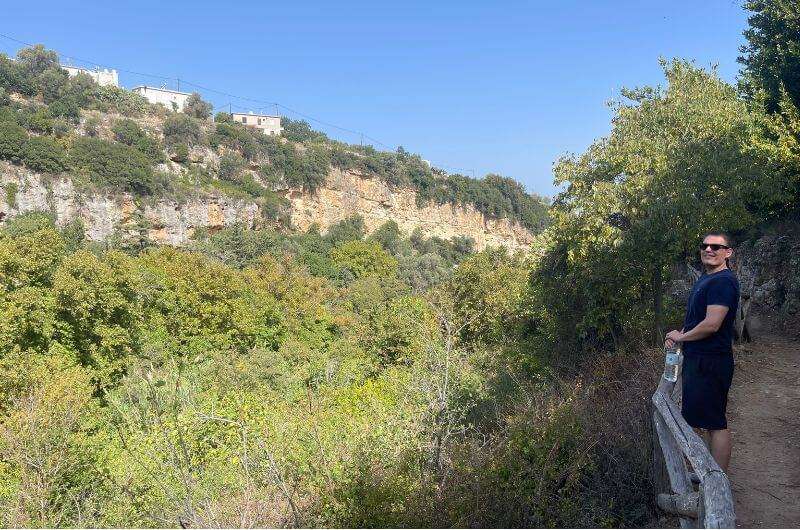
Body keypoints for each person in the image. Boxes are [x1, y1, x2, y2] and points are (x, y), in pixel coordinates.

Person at [665, 232, 740, 473]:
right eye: (705, 245)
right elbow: (699, 319)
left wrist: (682, 337)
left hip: (712, 362)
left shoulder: (723, 282)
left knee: (715, 423)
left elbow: (712, 324)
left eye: (716, 247)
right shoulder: (706, 279)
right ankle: (709, 474)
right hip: (700, 360)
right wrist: (681, 332)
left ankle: (717, 481)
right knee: (705, 421)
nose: (709, 249)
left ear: (727, 252)